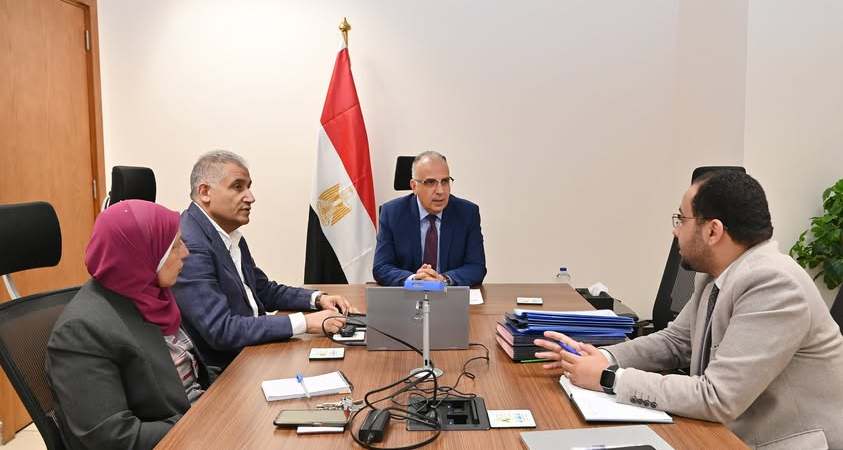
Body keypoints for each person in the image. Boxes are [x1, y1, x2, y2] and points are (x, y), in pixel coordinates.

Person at [534, 171, 843, 449]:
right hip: (722, 432)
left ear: (713, 231)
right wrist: (603, 357)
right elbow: (675, 342)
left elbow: (717, 397)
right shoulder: (715, 275)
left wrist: (610, 378)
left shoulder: (774, 284)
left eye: (681, 219)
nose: (675, 231)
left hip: (774, 441)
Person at [47, 200, 211, 450]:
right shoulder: (80, 332)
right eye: (175, 245)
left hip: (201, 416)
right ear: (140, 254)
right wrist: (202, 425)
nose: (186, 253)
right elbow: (113, 437)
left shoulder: (153, 296)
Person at [172, 150, 350, 369]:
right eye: (238, 187)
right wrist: (305, 322)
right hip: (230, 371)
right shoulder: (190, 244)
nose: (250, 197)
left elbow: (262, 290)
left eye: (248, 187)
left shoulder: (227, 234)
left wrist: (316, 299)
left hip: (255, 352)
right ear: (205, 192)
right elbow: (221, 330)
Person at [373, 151, 486, 286]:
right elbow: (382, 267)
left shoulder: (467, 213)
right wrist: (415, 279)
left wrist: (443, 279)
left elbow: (476, 267)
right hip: (408, 294)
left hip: (449, 294)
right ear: (414, 186)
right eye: (431, 182)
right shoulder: (392, 213)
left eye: (445, 181)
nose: (440, 191)